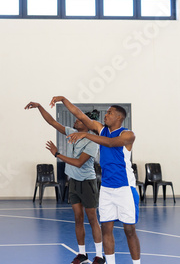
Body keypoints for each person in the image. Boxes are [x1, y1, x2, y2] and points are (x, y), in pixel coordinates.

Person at [49, 96, 141, 264]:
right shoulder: (101, 129)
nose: (105, 115)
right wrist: (63, 99)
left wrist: (85, 135)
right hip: (106, 188)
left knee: (129, 230)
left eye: (110, 113)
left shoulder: (128, 134)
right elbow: (79, 114)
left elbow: (111, 143)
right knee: (106, 228)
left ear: (119, 117)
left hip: (125, 189)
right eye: (106, 113)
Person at [25, 102, 104, 264]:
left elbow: (78, 163)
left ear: (86, 124)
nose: (76, 120)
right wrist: (39, 106)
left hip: (87, 183)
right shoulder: (71, 132)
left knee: (92, 219)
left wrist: (57, 154)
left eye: (79, 120)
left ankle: (99, 256)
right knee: (77, 218)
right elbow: (52, 122)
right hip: (73, 182)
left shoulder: (93, 141)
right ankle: (82, 254)